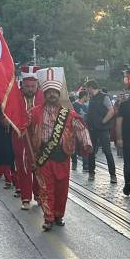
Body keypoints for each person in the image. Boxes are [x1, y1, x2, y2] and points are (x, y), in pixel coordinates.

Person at [29, 78, 92, 231]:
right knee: (45, 188)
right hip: (43, 156)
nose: (52, 95)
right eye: (49, 92)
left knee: (61, 188)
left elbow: (80, 128)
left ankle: (58, 215)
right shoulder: (35, 112)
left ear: (59, 94)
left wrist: (87, 143)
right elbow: (24, 125)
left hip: (63, 156)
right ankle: (48, 217)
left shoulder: (69, 114)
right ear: (45, 94)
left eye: (54, 92)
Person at [12, 68, 42, 210]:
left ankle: (38, 194)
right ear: (22, 85)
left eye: (33, 86)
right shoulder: (15, 97)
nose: (30, 89)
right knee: (23, 167)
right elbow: (8, 115)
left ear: (37, 86)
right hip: (20, 137)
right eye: (27, 86)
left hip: (39, 138)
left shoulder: (43, 97)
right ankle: (25, 197)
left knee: (39, 167)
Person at [84, 80, 117, 184]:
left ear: (90, 87)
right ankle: (91, 172)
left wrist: (103, 121)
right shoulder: (92, 98)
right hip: (92, 129)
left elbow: (111, 111)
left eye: (87, 88)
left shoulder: (104, 97)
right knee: (91, 152)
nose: (87, 91)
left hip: (102, 129)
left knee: (107, 152)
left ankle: (113, 175)